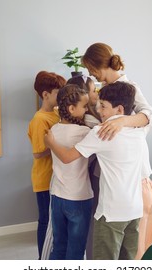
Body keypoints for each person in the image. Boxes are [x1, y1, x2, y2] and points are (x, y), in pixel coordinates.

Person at [45, 81, 145, 260]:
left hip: (111, 212)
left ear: (119, 110)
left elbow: (67, 157)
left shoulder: (102, 132)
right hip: (135, 209)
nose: (98, 111)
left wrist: (51, 143)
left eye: (103, 106)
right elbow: (148, 115)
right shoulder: (138, 130)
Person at [82, 43, 152, 259]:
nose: (91, 75)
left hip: (129, 174)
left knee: (126, 243)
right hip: (111, 168)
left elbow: (150, 116)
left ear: (98, 65)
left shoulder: (129, 87)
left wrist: (123, 121)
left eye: (91, 69)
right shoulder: (104, 90)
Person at [48, 84, 93, 260]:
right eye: (84, 106)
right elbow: (98, 123)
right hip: (78, 198)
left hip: (57, 196)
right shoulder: (84, 132)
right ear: (72, 108)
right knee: (75, 250)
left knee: (58, 246)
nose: (87, 110)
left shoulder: (54, 130)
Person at [27, 70, 66, 259]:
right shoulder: (39, 120)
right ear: (45, 95)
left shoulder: (58, 113)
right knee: (45, 220)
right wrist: (58, 145)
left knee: (55, 222)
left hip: (56, 177)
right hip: (44, 179)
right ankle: (42, 259)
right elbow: (37, 152)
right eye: (59, 93)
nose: (62, 96)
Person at [66, 75, 101, 260]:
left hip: (89, 177)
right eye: (93, 90)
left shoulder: (89, 118)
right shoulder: (91, 122)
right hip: (94, 178)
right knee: (92, 224)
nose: (96, 93)